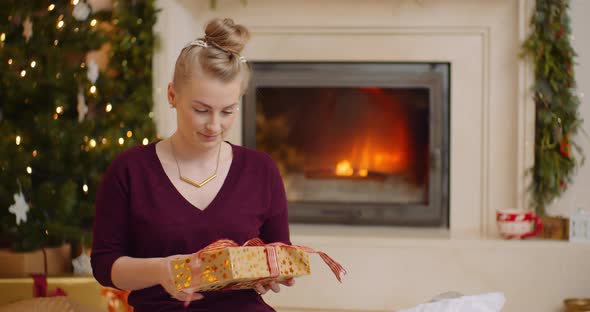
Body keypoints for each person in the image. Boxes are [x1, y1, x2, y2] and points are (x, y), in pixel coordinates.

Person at [91, 18, 294, 311]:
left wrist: (270, 274)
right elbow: (104, 265)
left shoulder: (261, 170)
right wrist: (162, 270)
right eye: (201, 110)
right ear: (172, 95)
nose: (214, 125)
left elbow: (278, 252)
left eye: (228, 111)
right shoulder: (129, 171)